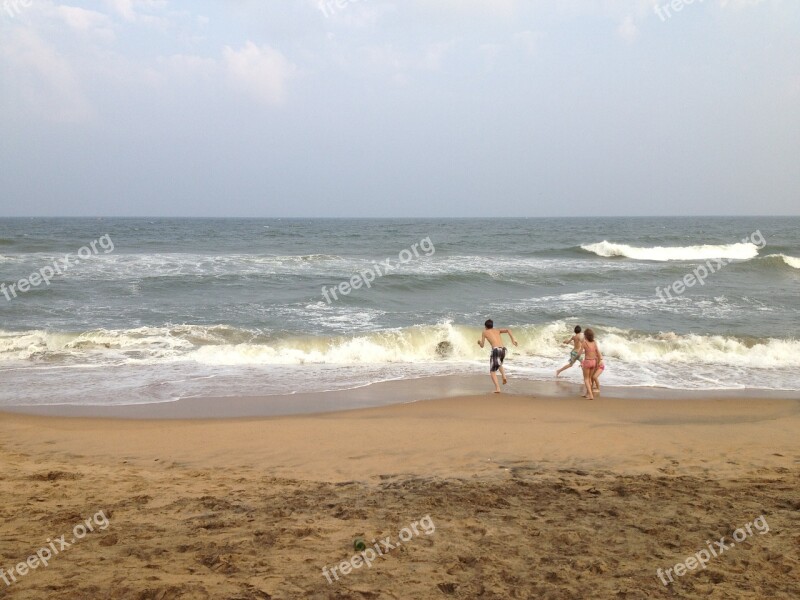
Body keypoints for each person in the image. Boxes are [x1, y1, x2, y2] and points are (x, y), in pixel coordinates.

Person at [477, 319, 518, 393]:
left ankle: (497, 388)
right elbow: (508, 330)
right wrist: (513, 340)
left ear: (485, 326)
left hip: (496, 350)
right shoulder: (497, 330)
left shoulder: (484, 332)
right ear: (492, 326)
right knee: (499, 364)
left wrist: (479, 342)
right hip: (503, 350)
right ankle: (504, 376)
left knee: (492, 371)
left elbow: (482, 345)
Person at [578, 328, 602, 400]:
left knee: (586, 379)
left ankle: (591, 395)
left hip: (587, 362)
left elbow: (579, 353)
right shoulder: (594, 342)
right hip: (594, 362)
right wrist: (600, 360)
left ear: (586, 336)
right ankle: (587, 394)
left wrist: (576, 357)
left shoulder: (584, 342)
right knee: (590, 379)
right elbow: (598, 352)